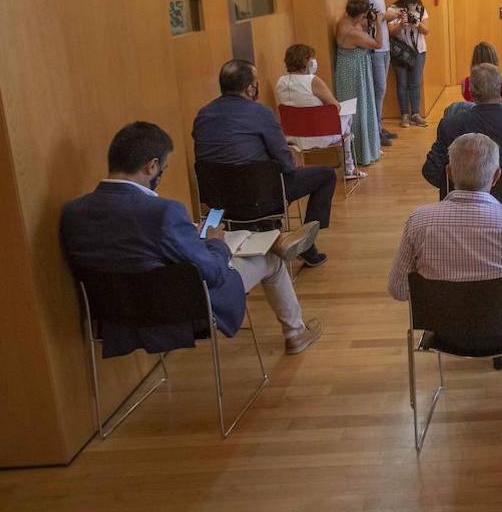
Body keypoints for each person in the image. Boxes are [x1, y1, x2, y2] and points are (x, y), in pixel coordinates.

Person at [61, 122, 323, 356]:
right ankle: (295, 331)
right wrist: (215, 244)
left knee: (208, 240)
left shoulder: (72, 213)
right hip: (183, 309)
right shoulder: (163, 212)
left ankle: (265, 240)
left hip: (113, 318)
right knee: (268, 259)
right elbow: (212, 273)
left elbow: (129, 250)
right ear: (151, 166)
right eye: (162, 168)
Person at [389, 133, 502, 370]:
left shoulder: (418, 222)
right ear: (497, 176)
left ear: (449, 173)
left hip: (443, 331)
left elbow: (398, 289)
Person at [192, 60, 335, 267]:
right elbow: (285, 162)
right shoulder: (260, 113)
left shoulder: (203, 114)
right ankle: (306, 244)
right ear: (250, 88)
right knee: (326, 175)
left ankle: (266, 230)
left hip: (218, 200)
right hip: (260, 196)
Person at [424, 63, 502, 215]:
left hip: (461, 210)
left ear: (470, 92)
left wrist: (455, 184)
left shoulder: (450, 125)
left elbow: (431, 171)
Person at [275, 43, 364, 179]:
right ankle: (349, 168)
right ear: (305, 61)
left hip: (292, 137)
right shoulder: (313, 81)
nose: (313, 61)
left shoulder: (280, 82)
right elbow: (335, 107)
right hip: (321, 134)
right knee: (347, 116)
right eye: (311, 58)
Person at [357, 0, 403, 147]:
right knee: (378, 89)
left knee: (382, 90)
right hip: (374, 48)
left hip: (384, 45)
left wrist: (391, 17)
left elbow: (381, 17)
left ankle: (379, 125)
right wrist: (386, 16)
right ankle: (375, 129)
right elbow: (365, 19)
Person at [334, 0, 382, 167]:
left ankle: (366, 149)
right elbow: (378, 44)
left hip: (352, 69)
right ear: (360, 14)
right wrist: (378, 22)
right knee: (358, 110)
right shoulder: (352, 31)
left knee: (361, 109)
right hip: (354, 73)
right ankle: (360, 153)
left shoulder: (345, 21)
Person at [392, 0, 430, 128]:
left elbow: (426, 31)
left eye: (415, 2)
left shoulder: (422, 11)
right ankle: (404, 115)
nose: (413, 5)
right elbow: (390, 32)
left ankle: (416, 114)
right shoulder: (395, 10)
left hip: (418, 51)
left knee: (415, 83)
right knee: (402, 83)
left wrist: (417, 23)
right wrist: (402, 23)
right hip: (400, 53)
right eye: (410, 2)